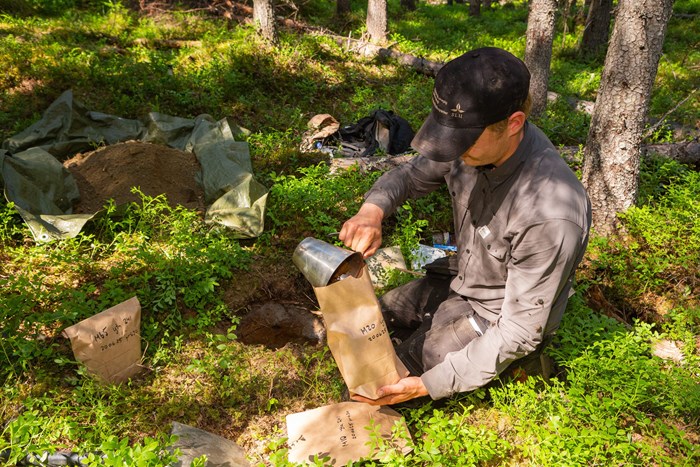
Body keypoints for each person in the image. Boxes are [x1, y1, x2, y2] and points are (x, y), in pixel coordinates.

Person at [339, 47, 592, 406]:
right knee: (366, 324)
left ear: (514, 124)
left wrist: (429, 384)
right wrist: (371, 211)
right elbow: (411, 176)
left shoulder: (550, 213)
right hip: (459, 279)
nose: (453, 151)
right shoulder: (471, 147)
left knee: (387, 387)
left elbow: (518, 330)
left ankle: (513, 370)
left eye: (464, 140)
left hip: (495, 316)